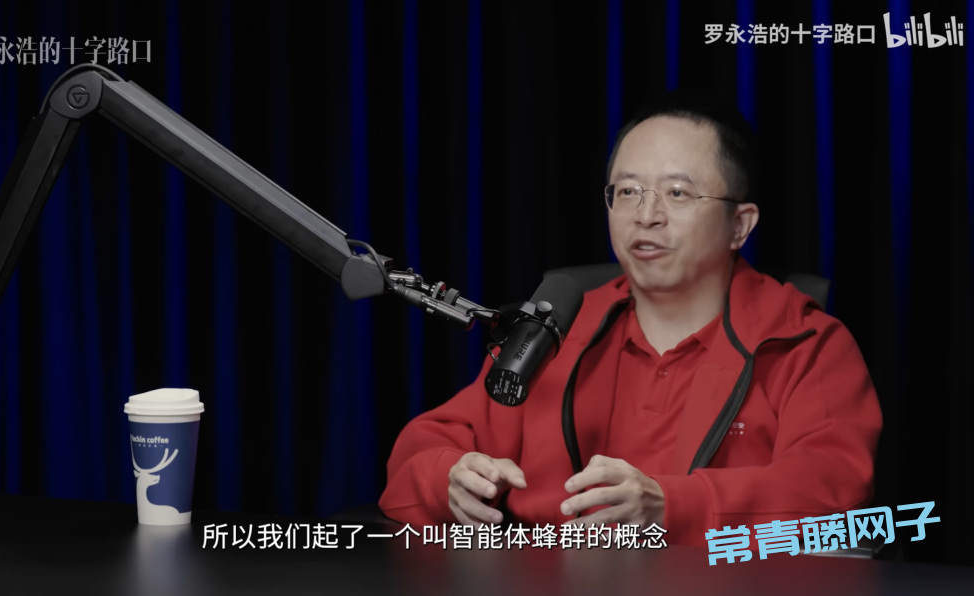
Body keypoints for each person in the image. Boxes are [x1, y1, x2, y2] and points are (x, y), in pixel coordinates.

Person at [378, 90, 883, 547]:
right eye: (627, 191)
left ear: (740, 225)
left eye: (677, 193)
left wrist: (672, 507)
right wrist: (451, 480)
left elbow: (834, 489)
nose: (646, 215)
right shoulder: (558, 330)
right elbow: (424, 450)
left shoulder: (803, 341)